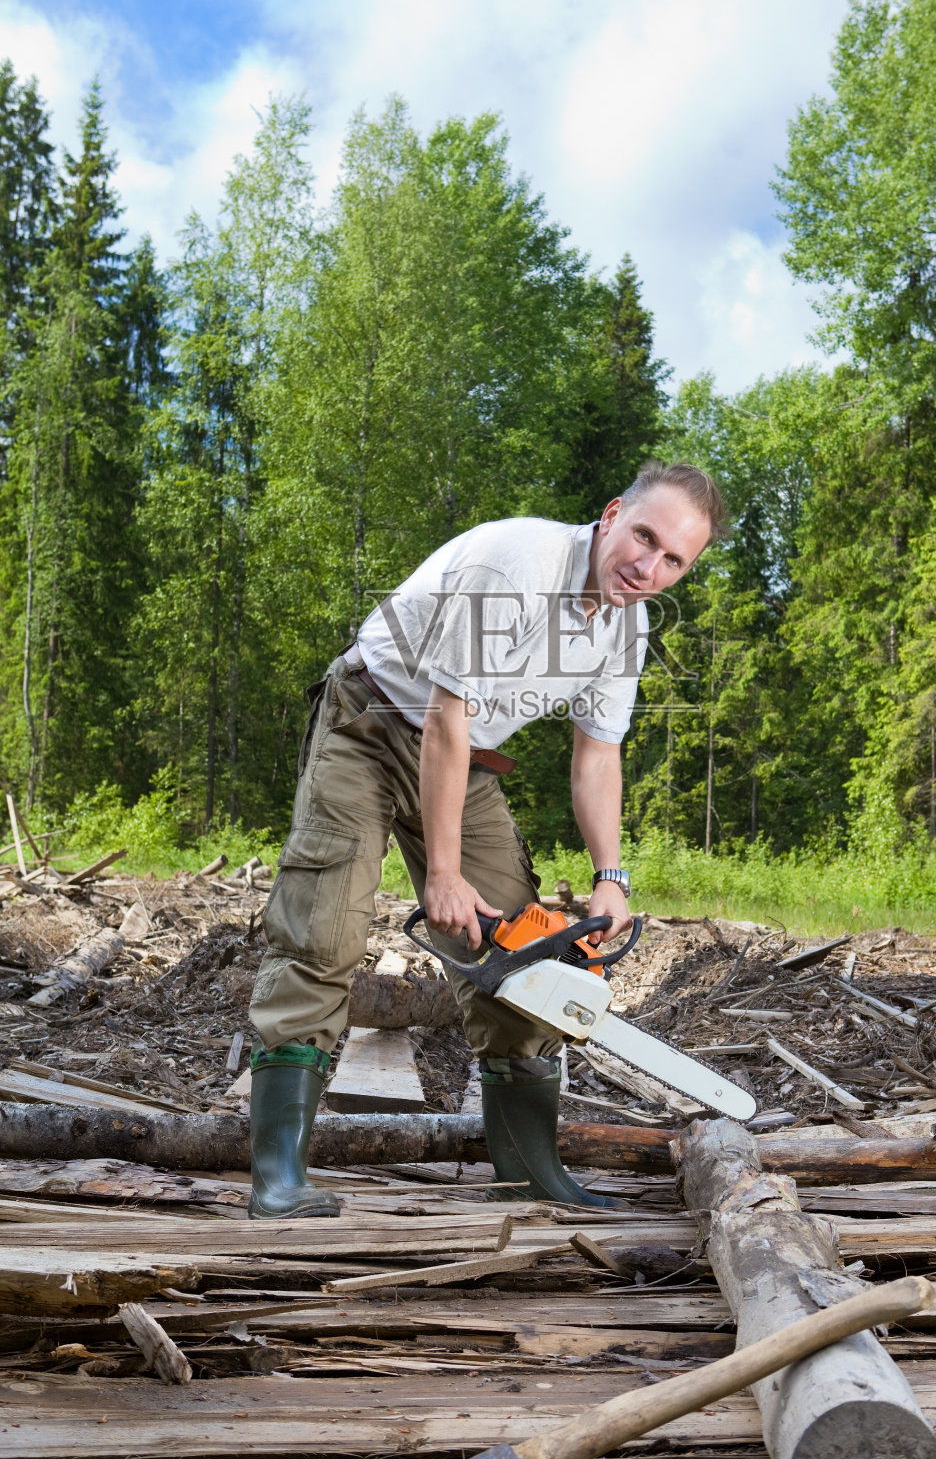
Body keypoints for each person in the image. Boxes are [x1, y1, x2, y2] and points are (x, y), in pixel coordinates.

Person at [246, 461, 724, 1218]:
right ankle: (277, 1178)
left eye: (674, 560)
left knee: (522, 953)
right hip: (368, 724)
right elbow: (445, 714)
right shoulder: (519, 565)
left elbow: (597, 752)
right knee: (325, 929)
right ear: (610, 515)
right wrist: (440, 872)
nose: (648, 566)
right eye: (643, 536)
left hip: (461, 764)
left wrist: (612, 876)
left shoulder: (623, 627)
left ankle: (528, 1171)